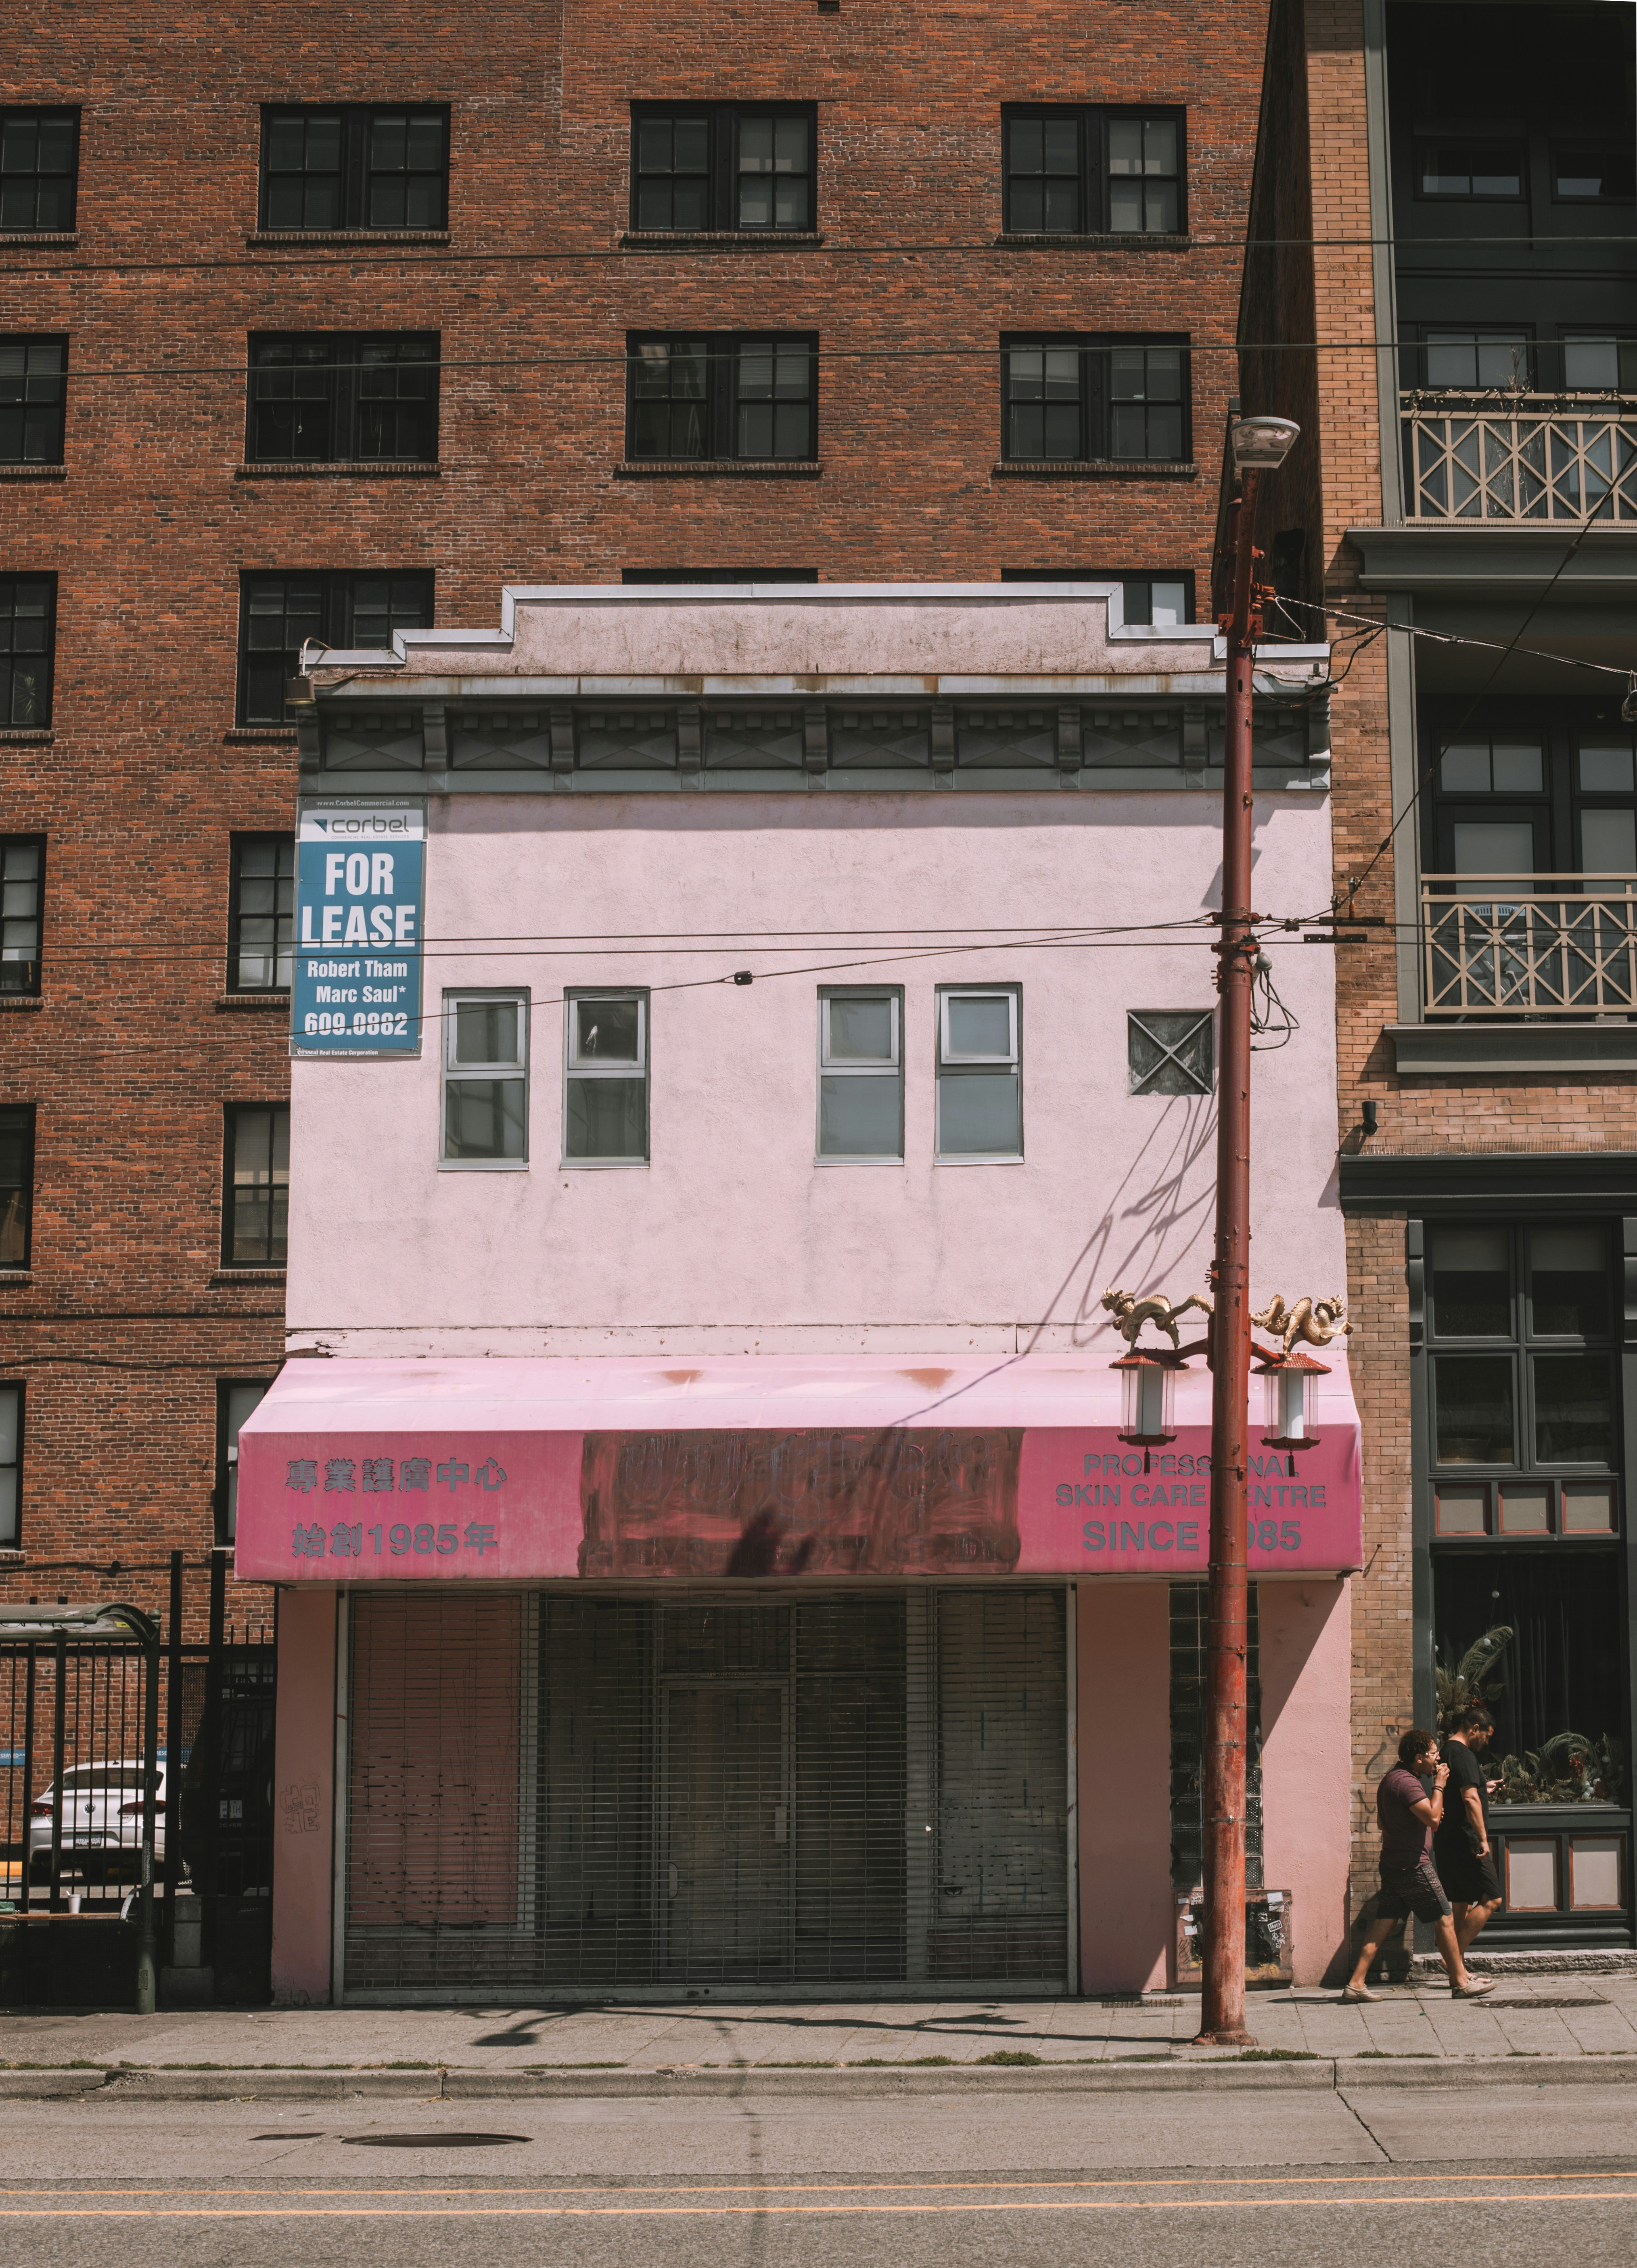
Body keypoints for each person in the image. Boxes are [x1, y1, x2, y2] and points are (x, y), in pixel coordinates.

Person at [1342, 1727, 1497, 2002]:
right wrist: (1438, 1785)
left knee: (1382, 1925)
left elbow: (1384, 1822)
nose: (1437, 1759)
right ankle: (1460, 1981)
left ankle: (1355, 1984)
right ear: (1418, 1758)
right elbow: (1434, 1819)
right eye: (1433, 1754)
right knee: (1445, 1918)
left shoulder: (1391, 1779)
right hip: (1413, 1866)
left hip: (1392, 1864)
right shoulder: (1408, 1783)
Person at [1434, 1704, 1503, 1957]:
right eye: (1487, 1736)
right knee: (1493, 1898)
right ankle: (1452, 1960)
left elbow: (1467, 1792)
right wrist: (1483, 1840)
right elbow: (1470, 1798)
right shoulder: (1462, 1754)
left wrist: (1485, 1786)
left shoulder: (1448, 1751)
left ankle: (1458, 1970)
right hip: (1467, 1842)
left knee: (1461, 1905)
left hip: (1450, 1840)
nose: (1486, 1743)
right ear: (1475, 1729)